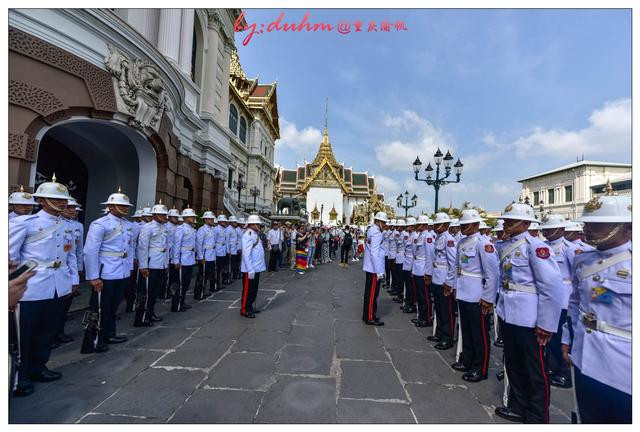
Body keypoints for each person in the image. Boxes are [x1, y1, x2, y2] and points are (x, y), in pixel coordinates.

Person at [561, 187, 631, 423]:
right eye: (587, 223)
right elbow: (576, 302)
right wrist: (567, 338)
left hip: (624, 367)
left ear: (627, 227)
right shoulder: (583, 260)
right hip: (584, 355)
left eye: (598, 224)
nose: (588, 229)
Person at [494, 202, 563, 424]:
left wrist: (546, 323)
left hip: (528, 316)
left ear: (525, 223)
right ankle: (518, 406)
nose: (506, 222)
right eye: (506, 219)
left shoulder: (535, 247)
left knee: (534, 369)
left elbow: (551, 286)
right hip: (508, 311)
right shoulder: (506, 245)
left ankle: (537, 416)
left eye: (511, 220)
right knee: (513, 363)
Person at [9, 175, 77, 397]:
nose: (61, 203)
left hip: (58, 285)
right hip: (33, 286)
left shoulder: (66, 225)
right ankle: (20, 376)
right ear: (41, 200)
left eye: (63, 200)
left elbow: (70, 255)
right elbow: (11, 256)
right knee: (24, 335)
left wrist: (72, 279)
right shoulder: (24, 223)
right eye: (54, 199)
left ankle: (39, 366)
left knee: (47, 331)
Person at [450, 209, 500, 383]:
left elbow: (492, 274)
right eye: (461, 224)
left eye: (465, 224)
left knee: (480, 333)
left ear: (476, 225)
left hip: (478, 295)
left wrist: (488, 298)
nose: (462, 227)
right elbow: (458, 267)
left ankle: (481, 367)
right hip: (464, 292)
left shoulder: (483, 243)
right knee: (467, 330)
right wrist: (456, 287)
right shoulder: (461, 243)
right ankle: (468, 360)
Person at [539, 214, 580, 389]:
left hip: (564, 297)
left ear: (561, 230)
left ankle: (564, 373)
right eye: (545, 229)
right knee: (548, 335)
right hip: (547, 297)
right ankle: (551, 367)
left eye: (550, 228)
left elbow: (577, 275)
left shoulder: (569, 249)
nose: (546, 231)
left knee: (560, 338)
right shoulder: (543, 247)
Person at [54, 197, 84, 346]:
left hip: (65, 271)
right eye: (69, 207)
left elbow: (75, 251)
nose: (72, 210)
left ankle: (58, 332)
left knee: (63, 307)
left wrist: (77, 272)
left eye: (74, 208)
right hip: (46, 273)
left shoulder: (75, 226)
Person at [425, 213, 457, 348]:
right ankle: (439, 332)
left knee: (446, 311)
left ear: (445, 225)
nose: (436, 227)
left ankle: (447, 337)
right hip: (437, 277)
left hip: (444, 278)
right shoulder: (438, 238)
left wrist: (449, 282)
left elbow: (453, 262)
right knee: (438, 308)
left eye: (438, 224)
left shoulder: (449, 240)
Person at [362, 212, 387, 326]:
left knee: (369, 293)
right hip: (374, 269)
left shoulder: (371, 230)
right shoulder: (377, 233)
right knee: (372, 294)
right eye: (384, 222)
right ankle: (370, 317)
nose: (385, 224)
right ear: (378, 221)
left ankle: (367, 315)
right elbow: (374, 253)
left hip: (370, 267)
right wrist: (378, 271)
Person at [240, 215, 267, 318]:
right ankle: (244, 309)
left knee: (253, 289)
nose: (259, 225)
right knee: (248, 290)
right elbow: (246, 254)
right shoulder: (248, 235)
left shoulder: (255, 234)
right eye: (258, 223)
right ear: (252, 224)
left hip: (256, 267)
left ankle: (250, 307)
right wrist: (250, 269)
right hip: (250, 269)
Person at [172, 207, 197, 312]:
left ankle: (182, 302)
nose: (193, 218)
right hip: (182, 259)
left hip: (189, 258)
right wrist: (176, 260)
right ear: (186, 217)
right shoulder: (180, 229)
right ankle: (176, 304)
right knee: (180, 283)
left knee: (186, 283)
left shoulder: (192, 229)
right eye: (191, 216)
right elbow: (176, 246)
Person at [410, 215, 430, 317]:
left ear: (424, 224)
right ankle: (421, 316)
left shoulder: (428, 237)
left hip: (423, 269)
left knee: (424, 295)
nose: (417, 225)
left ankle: (426, 317)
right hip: (418, 267)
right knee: (419, 295)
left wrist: (428, 272)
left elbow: (430, 256)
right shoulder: (420, 236)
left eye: (418, 224)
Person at [196, 211, 217, 296]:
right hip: (205, 255)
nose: (212, 220)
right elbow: (199, 244)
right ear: (206, 219)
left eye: (212, 219)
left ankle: (203, 290)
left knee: (208, 274)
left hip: (211, 254)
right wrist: (200, 257)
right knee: (202, 275)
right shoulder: (202, 230)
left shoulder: (213, 229)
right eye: (211, 219)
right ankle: (199, 293)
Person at [214, 214, 230, 289]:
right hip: (218, 250)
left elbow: (226, 241)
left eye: (225, 221)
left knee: (222, 268)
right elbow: (213, 241)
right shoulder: (216, 229)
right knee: (217, 268)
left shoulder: (225, 229)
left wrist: (227, 250)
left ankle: (220, 282)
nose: (224, 222)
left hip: (223, 250)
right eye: (223, 221)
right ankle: (215, 284)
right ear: (219, 221)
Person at [228, 216, 240, 281]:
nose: (236, 223)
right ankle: (228, 278)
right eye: (234, 222)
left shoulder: (234, 229)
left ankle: (231, 277)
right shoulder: (228, 229)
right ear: (231, 222)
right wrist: (228, 250)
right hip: (231, 250)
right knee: (230, 265)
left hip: (234, 249)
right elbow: (227, 241)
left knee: (234, 264)